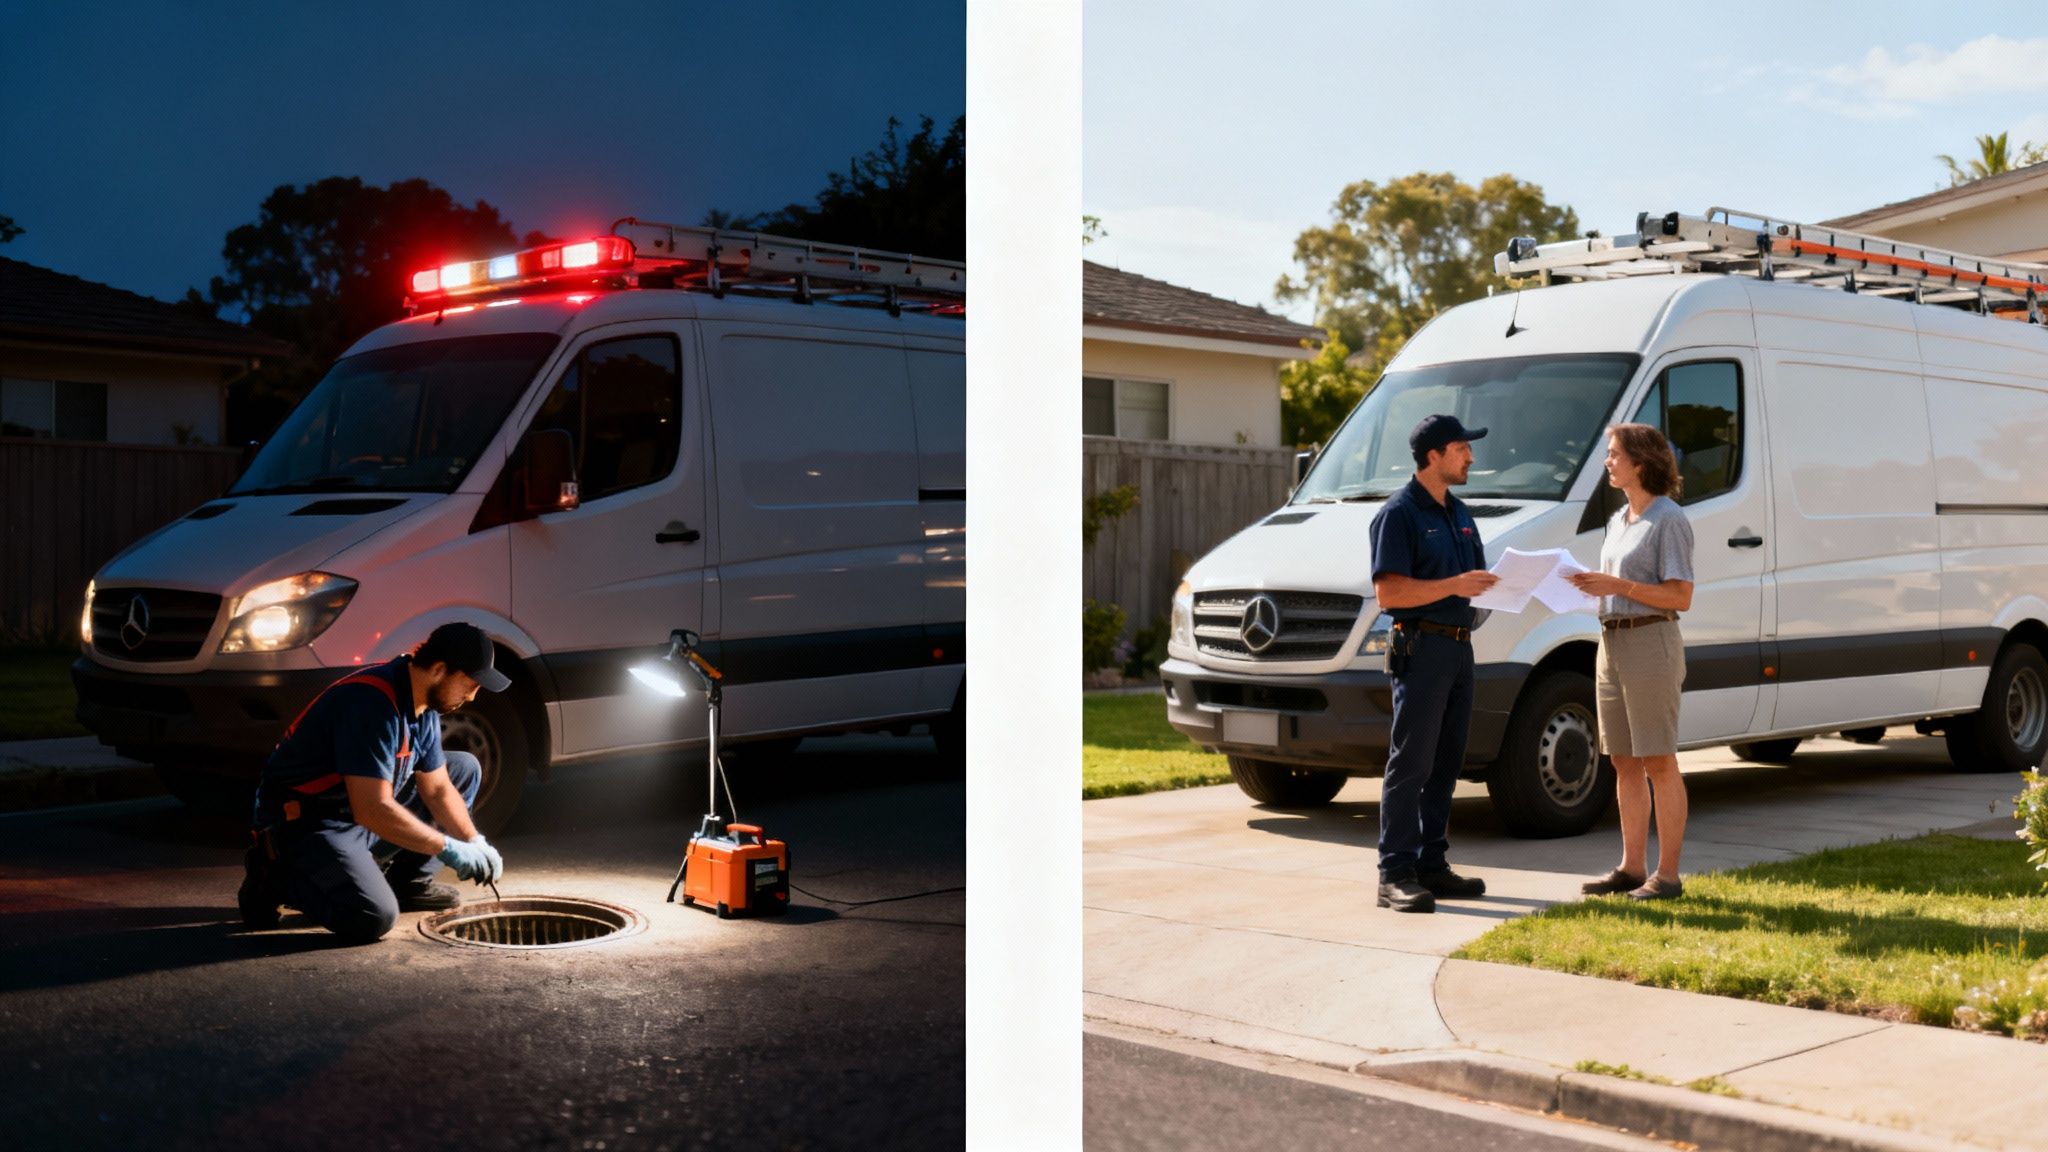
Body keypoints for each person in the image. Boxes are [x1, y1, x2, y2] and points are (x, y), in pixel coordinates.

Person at [238, 621, 509, 941]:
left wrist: (472, 840)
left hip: (354, 813)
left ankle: (407, 883)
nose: (473, 696)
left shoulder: (422, 703)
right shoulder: (372, 705)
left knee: (463, 769)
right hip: (308, 822)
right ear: (439, 669)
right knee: (373, 916)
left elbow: (437, 789)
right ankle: (276, 874)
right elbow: (371, 809)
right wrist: (446, 847)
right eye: (471, 684)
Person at [1368, 414, 1501, 913]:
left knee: (1447, 762)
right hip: (1420, 649)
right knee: (1412, 762)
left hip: (1460, 649)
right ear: (1434, 456)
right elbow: (1389, 592)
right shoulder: (1398, 514)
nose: (1470, 456)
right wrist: (1454, 586)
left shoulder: (1459, 512)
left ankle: (1431, 864)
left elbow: (1474, 580)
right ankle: (1394, 872)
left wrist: (1504, 587)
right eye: (1462, 448)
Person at [1568, 423, 1696, 901]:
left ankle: (1668, 876)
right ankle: (1631, 867)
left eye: (1614, 454)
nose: (1607, 461)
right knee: (1622, 760)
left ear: (1640, 463)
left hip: (1650, 643)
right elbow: (1618, 586)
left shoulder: (1669, 520)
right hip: (1612, 643)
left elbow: (1680, 596)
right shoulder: (1620, 519)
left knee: (1659, 759)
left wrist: (1617, 587)